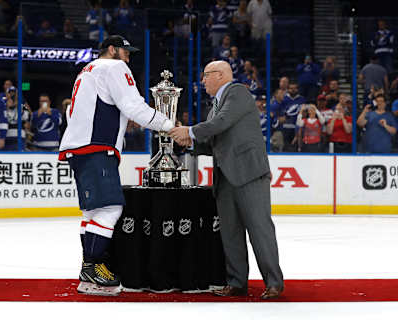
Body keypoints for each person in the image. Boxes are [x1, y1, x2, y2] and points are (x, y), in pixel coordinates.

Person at [59, 35, 174, 296]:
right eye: (126, 51)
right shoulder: (114, 67)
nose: (129, 57)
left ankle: (88, 273)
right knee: (111, 208)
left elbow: (74, 113)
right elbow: (133, 106)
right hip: (97, 147)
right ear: (112, 50)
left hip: (79, 149)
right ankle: (93, 269)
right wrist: (169, 126)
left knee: (92, 212)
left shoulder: (86, 70)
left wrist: (121, 118)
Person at [169, 60, 283, 299]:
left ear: (220, 75)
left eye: (205, 76)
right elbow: (215, 142)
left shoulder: (237, 92)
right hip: (226, 176)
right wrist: (190, 142)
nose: (202, 81)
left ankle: (274, 283)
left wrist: (189, 131)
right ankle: (237, 282)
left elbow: (220, 124)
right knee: (230, 233)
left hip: (248, 173)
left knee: (259, 230)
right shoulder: (215, 105)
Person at [3, 86, 31, 151]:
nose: (12, 95)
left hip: (19, 136)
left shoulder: (22, 105)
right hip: (7, 136)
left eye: (14, 93)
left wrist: (17, 105)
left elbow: (27, 116)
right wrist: (7, 107)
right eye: (10, 93)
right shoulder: (3, 105)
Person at [282, 82, 305, 151]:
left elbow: (303, 114)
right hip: (285, 127)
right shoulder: (284, 99)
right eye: (291, 88)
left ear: (297, 89)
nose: (293, 90)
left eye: (295, 88)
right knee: (285, 147)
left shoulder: (302, 99)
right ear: (288, 89)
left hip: (297, 127)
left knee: (295, 147)